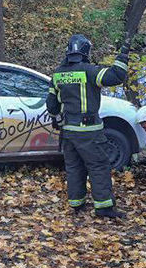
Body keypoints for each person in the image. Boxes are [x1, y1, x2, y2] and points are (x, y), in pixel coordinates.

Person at [47, 34, 130, 218]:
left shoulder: (58, 74)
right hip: (89, 131)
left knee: (74, 167)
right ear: (86, 52)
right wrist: (123, 55)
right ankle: (104, 207)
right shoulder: (90, 71)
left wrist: (56, 118)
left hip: (68, 131)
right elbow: (116, 76)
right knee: (98, 166)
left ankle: (76, 203)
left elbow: (51, 105)